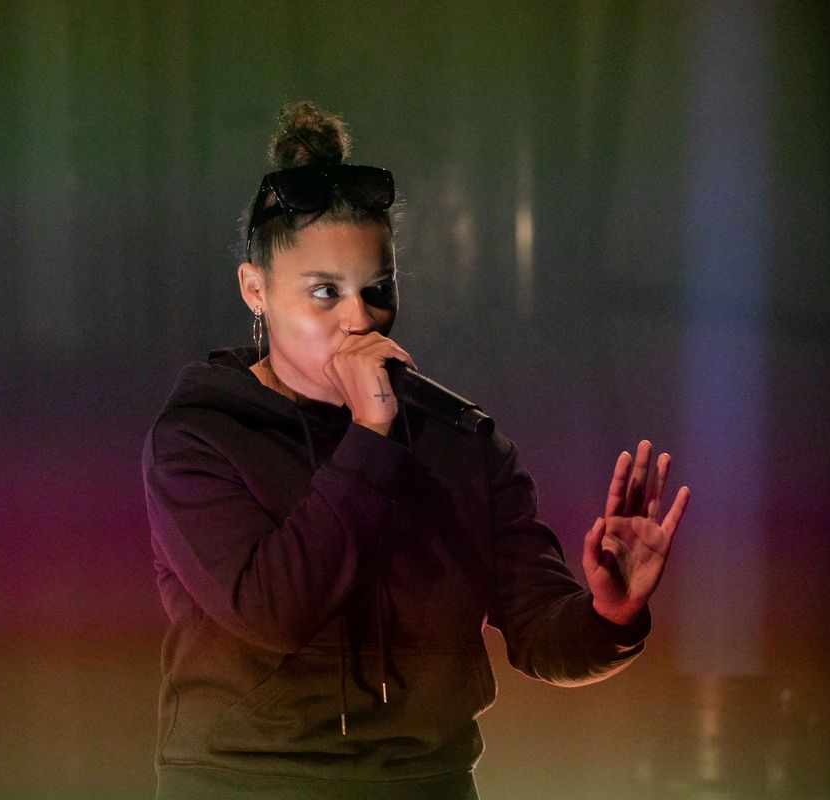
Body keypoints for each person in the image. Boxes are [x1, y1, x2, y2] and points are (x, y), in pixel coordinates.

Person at [141, 101, 690, 800]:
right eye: (324, 292)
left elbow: (539, 634)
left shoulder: (459, 442)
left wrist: (611, 615)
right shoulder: (202, 437)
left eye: (377, 289)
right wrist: (371, 437)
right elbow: (273, 611)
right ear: (257, 290)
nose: (359, 317)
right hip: (246, 782)